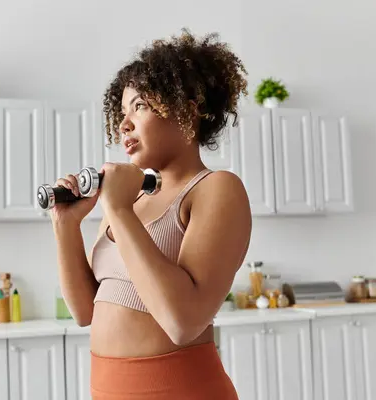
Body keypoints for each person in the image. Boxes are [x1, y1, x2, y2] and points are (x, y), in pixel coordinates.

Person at [51, 28, 252, 399]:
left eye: (140, 106)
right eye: (122, 111)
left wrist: (116, 208)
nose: (123, 124)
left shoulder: (216, 189)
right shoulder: (129, 201)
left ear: (187, 113)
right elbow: (84, 312)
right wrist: (66, 225)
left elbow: (182, 322)